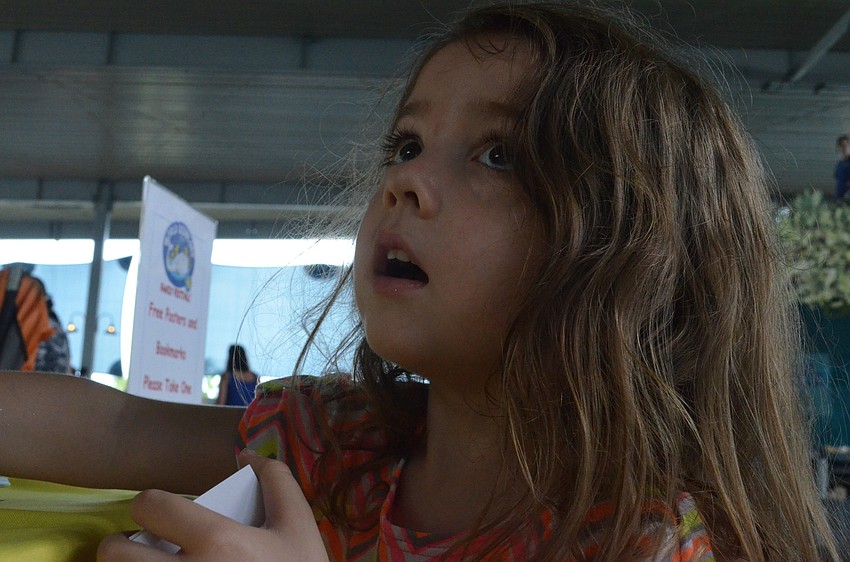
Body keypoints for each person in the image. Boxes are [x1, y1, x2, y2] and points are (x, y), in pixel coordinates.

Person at [0, 2, 840, 561]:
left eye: (499, 155)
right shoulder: (337, 446)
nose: (404, 181)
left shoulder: (650, 542)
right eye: (406, 145)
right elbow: (116, 428)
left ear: (638, 253)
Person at [835, 134, 850, 201]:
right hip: (839, 199)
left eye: (845, 145)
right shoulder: (840, 164)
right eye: (841, 146)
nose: (844, 148)